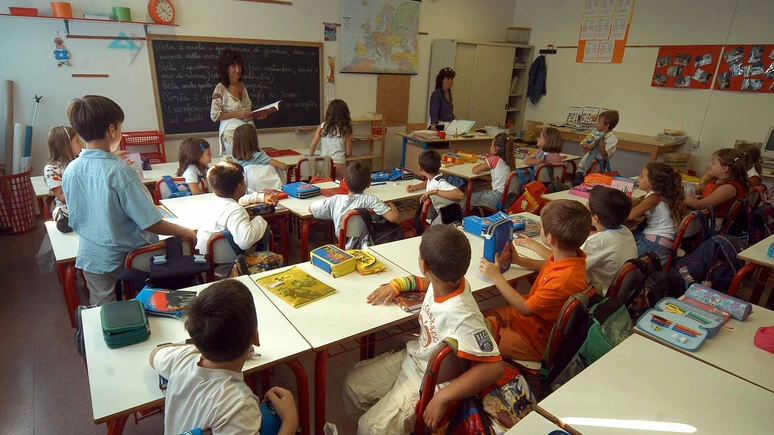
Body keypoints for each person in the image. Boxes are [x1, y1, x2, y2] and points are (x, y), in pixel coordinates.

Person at [345, 225, 503, 434]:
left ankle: (385, 422)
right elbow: (426, 282)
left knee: (370, 429)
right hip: (414, 359)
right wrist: (397, 285)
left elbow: (494, 368)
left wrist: (442, 397)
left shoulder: (463, 314)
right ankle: (388, 418)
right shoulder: (445, 282)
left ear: (423, 263)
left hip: (428, 381)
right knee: (352, 387)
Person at [63, 95, 196, 305]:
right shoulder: (119, 172)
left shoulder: (71, 169)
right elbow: (151, 222)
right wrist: (185, 232)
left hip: (91, 255)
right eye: (120, 126)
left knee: (103, 308)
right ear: (112, 130)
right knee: (146, 297)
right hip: (124, 258)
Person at [149, 279, 299, 435]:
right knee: (271, 420)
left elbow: (154, 355)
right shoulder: (240, 405)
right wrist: (290, 421)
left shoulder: (183, 358)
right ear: (255, 338)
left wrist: (202, 345)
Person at [480, 200, 591, 361]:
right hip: (526, 321)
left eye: (541, 227)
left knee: (477, 342)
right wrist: (518, 260)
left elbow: (525, 308)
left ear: (549, 238)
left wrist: (496, 277)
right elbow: (548, 265)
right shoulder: (571, 258)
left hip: (531, 340)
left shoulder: (562, 281)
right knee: (478, 318)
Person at [516, 188, 636, 292]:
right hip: (618, 294)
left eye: (587, 210)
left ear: (595, 218)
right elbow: (599, 235)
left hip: (595, 296)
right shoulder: (625, 230)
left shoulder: (595, 243)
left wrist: (531, 246)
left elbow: (560, 263)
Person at [309, 161, 398, 249]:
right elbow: (393, 217)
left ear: (345, 181)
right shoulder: (371, 200)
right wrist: (392, 205)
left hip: (344, 247)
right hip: (369, 246)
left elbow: (311, 209)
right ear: (369, 184)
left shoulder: (335, 200)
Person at [195, 161, 278, 255]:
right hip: (232, 263)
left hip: (208, 262)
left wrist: (261, 197)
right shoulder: (236, 210)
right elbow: (245, 242)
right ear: (239, 186)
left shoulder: (210, 204)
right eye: (244, 181)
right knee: (266, 232)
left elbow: (240, 200)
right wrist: (259, 220)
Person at [210, 49, 269, 156]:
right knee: (238, 165)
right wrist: (237, 113)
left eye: (239, 66)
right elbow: (215, 115)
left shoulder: (243, 86)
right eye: (233, 67)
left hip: (249, 134)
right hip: (232, 136)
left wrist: (258, 115)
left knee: (252, 164)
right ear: (226, 69)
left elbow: (246, 112)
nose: (238, 70)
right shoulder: (220, 89)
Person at [628, 162, 688, 261]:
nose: (638, 178)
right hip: (665, 242)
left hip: (654, 244)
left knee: (622, 254)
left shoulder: (654, 197)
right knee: (628, 236)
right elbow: (642, 201)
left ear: (652, 183)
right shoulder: (665, 194)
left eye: (641, 176)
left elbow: (630, 215)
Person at [685, 148, 748, 222]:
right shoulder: (717, 179)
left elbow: (699, 205)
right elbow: (702, 189)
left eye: (713, 163)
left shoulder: (729, 188)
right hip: (705, 215)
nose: (709, 164)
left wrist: (677, 193)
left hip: (714, 223)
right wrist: (682, 187)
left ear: (724, 168)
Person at [406, 150, 465, 225]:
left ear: (420, 168)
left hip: (440, 218)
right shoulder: (435, 178)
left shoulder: (440, 183)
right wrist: (415, 187)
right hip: (436, 214)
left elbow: (460, 195)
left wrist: (435, 192)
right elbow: (429, 182)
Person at [44, 125, 83, 233]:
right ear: (66, 146)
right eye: (77, 141)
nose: (82, 144)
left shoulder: (81, 161)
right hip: (67, 207)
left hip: (85, 203)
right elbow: (62, 197)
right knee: (62, 215)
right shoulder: (52, 169)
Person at [470, 133, 516, 210]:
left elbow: (475, 170)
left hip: (495, 198)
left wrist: (486, 163)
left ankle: (464, 219)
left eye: (491, 145)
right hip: (508, 199)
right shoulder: (510, 160)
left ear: (495, 149)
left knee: (467, 198)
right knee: (481, 194)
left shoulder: (494, 159)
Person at [573, 110, 619, 186]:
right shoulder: (595, 133)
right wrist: (587, 144)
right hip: (583, 168)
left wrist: (601, 138)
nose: (596, 124)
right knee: (576, 186)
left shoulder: (613, 139)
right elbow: (585, 151)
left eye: (599, 122)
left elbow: (604, 154)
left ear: (607, 125)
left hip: (596, 173)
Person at [309, 99, 352, 180]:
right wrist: (341, 156)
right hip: (339, 163)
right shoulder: (345, 129)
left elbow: (313, 144)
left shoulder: (322, 126)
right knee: (339, 186)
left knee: (325, 184)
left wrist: (310, 157)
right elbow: (349, 152)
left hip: (324, 162)